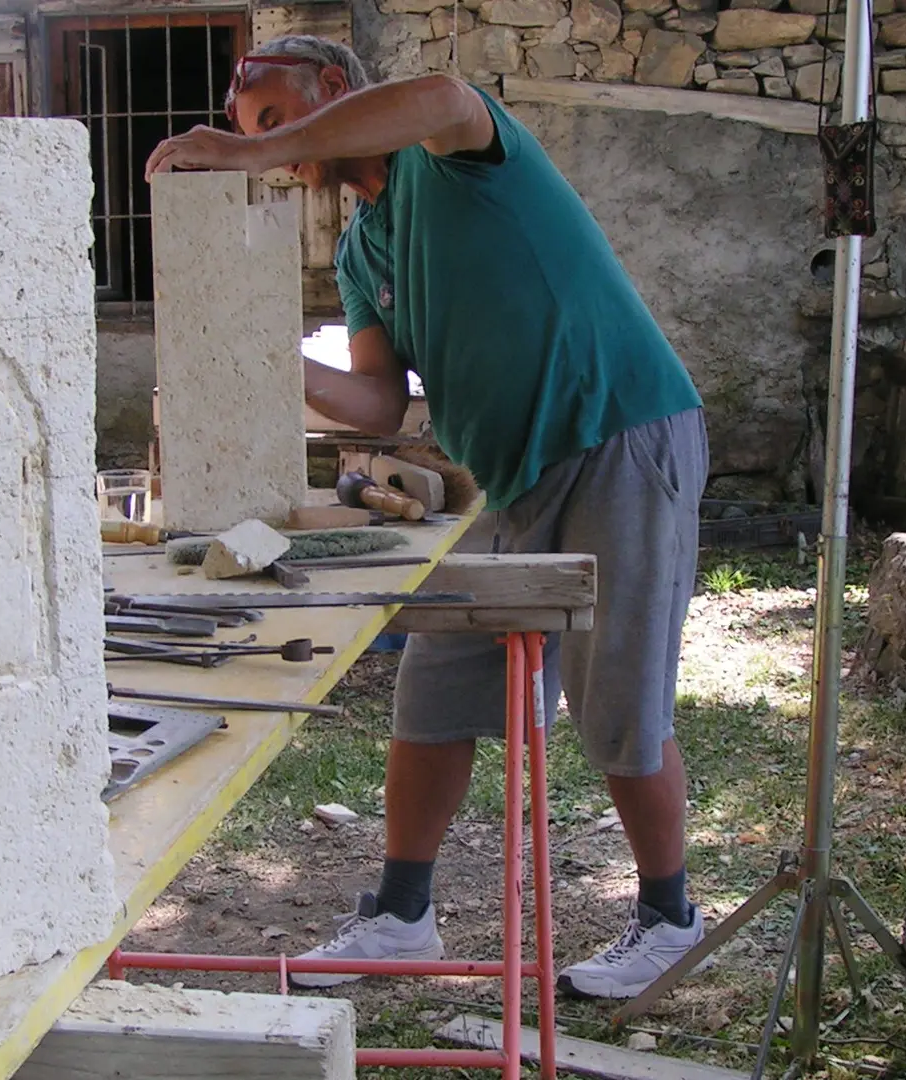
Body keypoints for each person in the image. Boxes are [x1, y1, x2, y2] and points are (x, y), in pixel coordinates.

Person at [144, 36, 710, 1000]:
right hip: (512, 476)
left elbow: (446, 94)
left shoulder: (449, 152)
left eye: (275, 120)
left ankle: (669, 919)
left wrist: (246, 153)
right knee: (436, 685)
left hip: (618, 432)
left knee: (618, 697)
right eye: (252, 132)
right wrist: (251, 352)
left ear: (332, 88)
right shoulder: (361, 247)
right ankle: (402, 916)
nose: (272, 150)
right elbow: (376, 401)